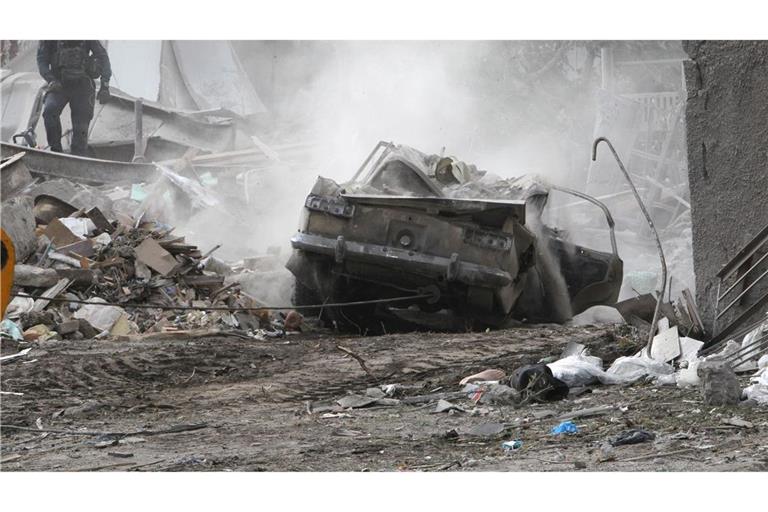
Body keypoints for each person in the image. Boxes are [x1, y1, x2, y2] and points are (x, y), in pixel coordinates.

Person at [37, 40, 112, 156]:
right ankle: (56, 152)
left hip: (83, 85)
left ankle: (78, 156)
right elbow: (42, 60)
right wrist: (51, 79)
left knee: (81, 126)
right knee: (49, 111)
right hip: (59, 83)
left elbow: (102, 57)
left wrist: (105, 85)